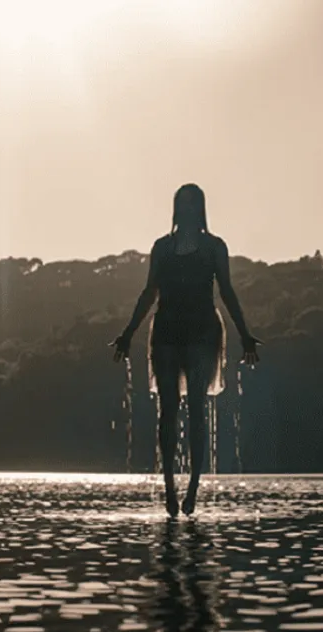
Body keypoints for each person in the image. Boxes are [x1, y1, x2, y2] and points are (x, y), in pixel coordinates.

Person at [111, 183, 261, 517]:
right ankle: (168, 488)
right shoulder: (162, 248)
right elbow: (149, 292)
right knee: (168, 411)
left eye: (194, 205)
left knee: (196, 409)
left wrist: (246, 334)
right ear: (177, 209)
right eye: (184, 204)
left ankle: (192, 488)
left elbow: (227, 292)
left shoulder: (214, 247)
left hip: (203, 333)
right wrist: (127, 333)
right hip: (166, 331)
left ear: (201, 209)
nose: (189, 210)